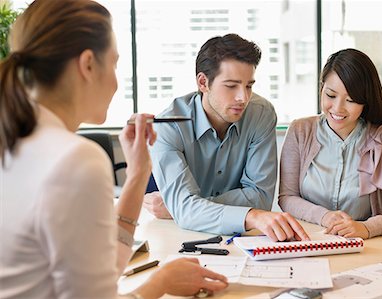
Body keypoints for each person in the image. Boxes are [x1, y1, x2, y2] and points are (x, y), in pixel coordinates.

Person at [0, 1, 227, 298]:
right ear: (88, 65)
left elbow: (99, 267)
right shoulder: (74, 159)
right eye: (115, 63)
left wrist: (137, 176)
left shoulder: (17, 141)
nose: (117, 82)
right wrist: (160, 284)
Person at [144, 33, 309, 242]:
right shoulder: (168, 127)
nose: (243, 97)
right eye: (231, 86)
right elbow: (186, 211)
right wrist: (249, 215)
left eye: (249, 85)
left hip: (240, 240)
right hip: (178, 238)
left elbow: (261, 198)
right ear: (203, 82)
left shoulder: (261, 114)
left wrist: (188, 208)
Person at [278, 48, 382, 239]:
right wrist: (325, 217)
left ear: (366, 101)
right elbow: (287, 198)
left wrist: (367, 228)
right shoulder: (299, 131)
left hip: (363, 245)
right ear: (321, 88)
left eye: (351, 100)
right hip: (307, 241)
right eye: (331, 95)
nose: (337, 108)